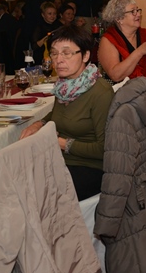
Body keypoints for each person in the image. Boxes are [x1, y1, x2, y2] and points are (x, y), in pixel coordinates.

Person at [20, 25, 115, 201]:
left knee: (26, 193)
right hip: (61, 160)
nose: (59, 60)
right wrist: (39, 123)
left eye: (67, 53)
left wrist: (60, 143)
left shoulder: (100, 92)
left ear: (85, 55)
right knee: (13, 175)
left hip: (90, 168)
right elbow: (58, 115)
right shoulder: (65, 86)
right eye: (54, 53)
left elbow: (105, 149)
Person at [99, 0, 146, 83]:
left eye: (137, 10)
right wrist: (140, 51)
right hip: (117, 89)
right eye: (132, 12)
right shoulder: (108, 39)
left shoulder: (145, 34)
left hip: (143, 87)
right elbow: (115, 76)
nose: (138, 14)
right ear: (119, 18)